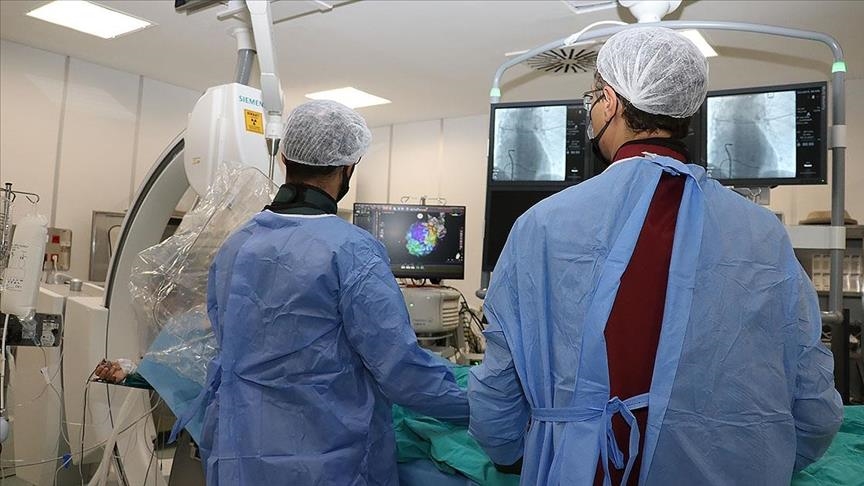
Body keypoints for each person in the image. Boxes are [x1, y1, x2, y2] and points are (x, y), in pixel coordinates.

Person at [468, 27, 843, 486]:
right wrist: (764, 459)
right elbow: (811, 393)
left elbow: (499, 385)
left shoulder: (541, 225)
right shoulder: (762, 232)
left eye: (592, 99)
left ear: (609, 102)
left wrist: (511, 454)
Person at [170, 99, 469, 485]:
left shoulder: (237, 244)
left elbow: (228, 342)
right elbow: (401, 372)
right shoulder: (352, 251)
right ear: (347, 168)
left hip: (240, 453)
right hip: (327, 461)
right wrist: (486, 406)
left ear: (284, 159)